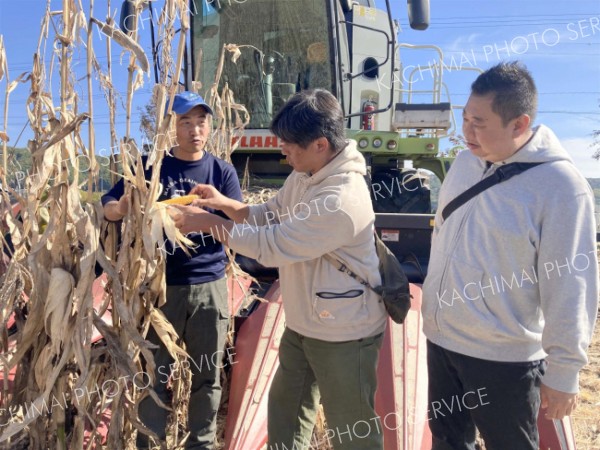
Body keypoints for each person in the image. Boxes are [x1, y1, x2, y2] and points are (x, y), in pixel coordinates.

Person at [172, 89, 388, 449]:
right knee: (287, 416)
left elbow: (271, 247)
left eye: (289, 145)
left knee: (351, 429)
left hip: (345, 332)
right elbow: (267, 216)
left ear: (320, 144)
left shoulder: (339, 198)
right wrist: (223, 203)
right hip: (303, 325)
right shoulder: (306, 175)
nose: (283, 151)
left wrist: (208, 223)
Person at [422, 61, 598, 450]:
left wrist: (566, 371)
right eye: (464, 117)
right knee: (448, 442)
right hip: (443, 342)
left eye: (479, 123)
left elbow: (571, 284)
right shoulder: (466, 163)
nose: (465, 131)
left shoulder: (562, 188)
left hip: (503, 360)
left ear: (519, 124)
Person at [102, 91, 243, 449]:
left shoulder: (220, 172)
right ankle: (150, 442)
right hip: (160, 287)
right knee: (153, 374)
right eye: (185, 122)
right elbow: (108, 205)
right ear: (172, 127)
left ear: (210, 126)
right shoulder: (153, 166)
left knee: (207, 375)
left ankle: (202, 443)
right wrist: (121, 208)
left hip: (209, 284)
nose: (194, 130)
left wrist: (203, 220)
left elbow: (240, 223)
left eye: (201, 122)